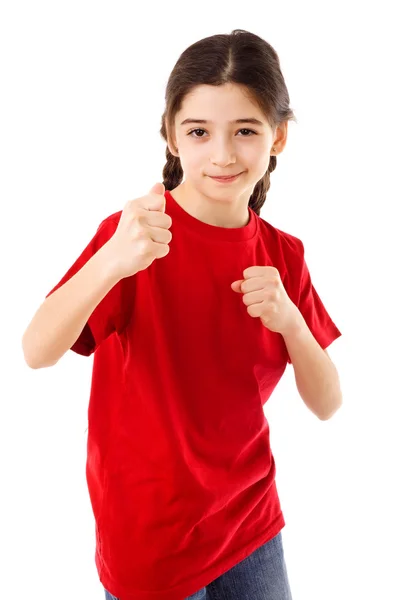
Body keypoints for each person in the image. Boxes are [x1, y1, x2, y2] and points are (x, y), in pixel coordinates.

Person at [22, 29, 342, 600]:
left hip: (251, 524)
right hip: (151, 539)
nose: (222, 154)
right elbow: (36, 351)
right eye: (199, 132)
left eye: (245, 131)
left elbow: (327, 404)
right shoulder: (136, 237)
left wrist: (292, 322)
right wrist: (111, 263)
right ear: (172, 136)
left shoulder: (284, 254)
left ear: (279, 136)